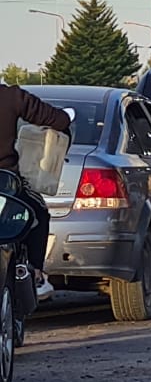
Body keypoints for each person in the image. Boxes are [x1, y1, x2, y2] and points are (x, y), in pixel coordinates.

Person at [0, 84, 72, 299]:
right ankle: (34, 273)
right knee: (38, 212)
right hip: (5, 183)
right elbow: (59, 120)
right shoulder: (11, 96)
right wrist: (65, 119)